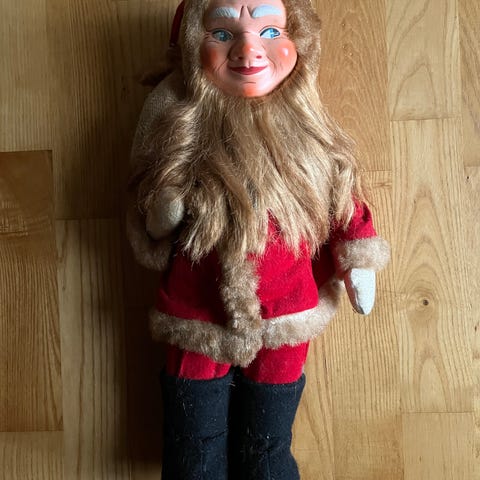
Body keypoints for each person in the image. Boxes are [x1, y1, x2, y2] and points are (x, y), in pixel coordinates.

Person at [127, 0, 390, 478]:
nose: (249, 50)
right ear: (192, 46)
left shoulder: (306, 133)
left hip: (286, 310)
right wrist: (161, 210)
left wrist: (358, 257)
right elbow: (150, 205)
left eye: (270, 32)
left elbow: (341, 196)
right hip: (197, 311)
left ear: (299, 40)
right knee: (191, 444)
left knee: (267, 445)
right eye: (222, 34)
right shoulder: (182, 126)